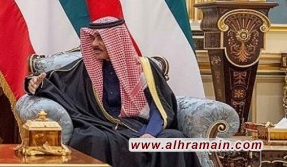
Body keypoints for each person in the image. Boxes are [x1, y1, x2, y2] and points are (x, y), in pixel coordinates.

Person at [25, 16, 200, 167]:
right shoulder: (85, 68)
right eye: (93, 38)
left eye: (100, 38)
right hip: (101, 125)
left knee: (174, 139)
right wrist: (34, 84)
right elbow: (53, 80)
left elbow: (160, 107)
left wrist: (149, 134)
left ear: (116, 41)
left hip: (139, 126)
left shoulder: (144, 68)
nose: (94, 44)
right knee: (90, 138)